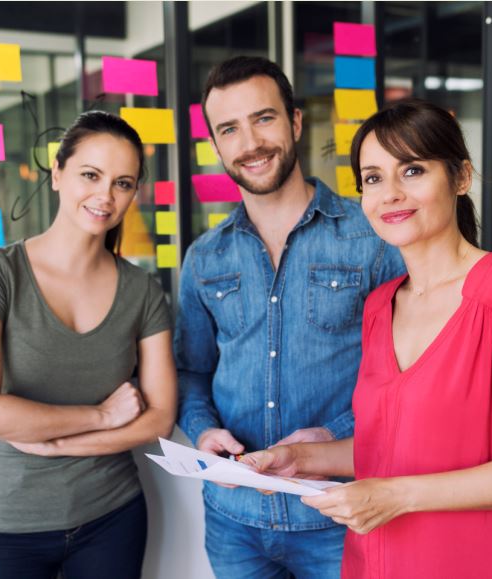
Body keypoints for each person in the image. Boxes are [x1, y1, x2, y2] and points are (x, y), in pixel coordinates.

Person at [242, 98, 492, 579]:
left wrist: (397, 496)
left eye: (412, 170)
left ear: (461, 178)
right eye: (372, 178)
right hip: (381, 561)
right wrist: (297, 458)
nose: (389, 194)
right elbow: (389, 450)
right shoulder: (380, 306)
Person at [174, 56, 405, 579]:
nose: (249, 142)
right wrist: (203, 430)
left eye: (264, 118)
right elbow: (192, 370)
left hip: (340, 515)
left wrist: (333, 435)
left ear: (296, 122)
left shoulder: (372, 237)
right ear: (215, 146)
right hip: (235, 524)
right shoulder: (204, 257)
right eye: (229, 129)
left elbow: (405, 374)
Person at [0, 110, 177, 579]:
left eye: (123, 183)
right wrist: (99, 416)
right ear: (57, 174)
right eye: (90, 175)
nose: (105, 195)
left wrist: (58, 445)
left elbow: (159, 418)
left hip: (112, 515)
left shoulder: (142, 291)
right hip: (11, 521)